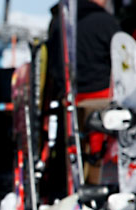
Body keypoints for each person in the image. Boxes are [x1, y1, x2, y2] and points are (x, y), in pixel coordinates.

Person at [46, 0, 120, 185]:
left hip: (71, 99)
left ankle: (76, 183)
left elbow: (52, 65)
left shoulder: (60, 24)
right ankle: (98, 182)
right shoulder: (106, 22)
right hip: (103, 96)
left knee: (75, 149)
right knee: (100, 150)